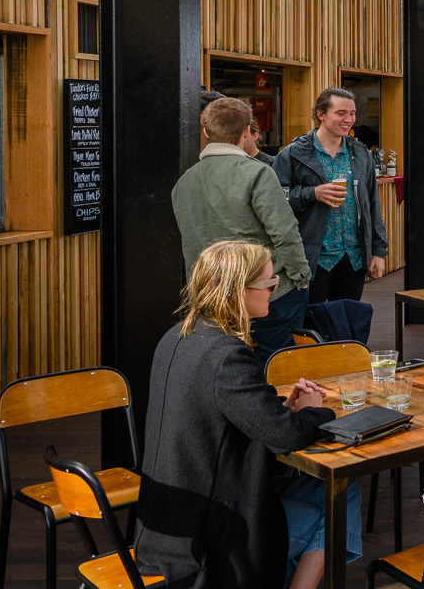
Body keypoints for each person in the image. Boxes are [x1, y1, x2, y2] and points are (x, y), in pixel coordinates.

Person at [135, 240, 360, 589]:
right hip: (214, 540)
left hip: (169, 521)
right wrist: (318, 412)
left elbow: (218, 419)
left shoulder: (176, 338)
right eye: (269, 284)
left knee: (337, 488)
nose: (274, 290)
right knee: (337, 499)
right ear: (239, 291)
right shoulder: (227, 355)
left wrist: (280, 409)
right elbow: (288, 437)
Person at [171, 97, 309, 361]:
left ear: (205, 131)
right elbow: (285, 232)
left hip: (210, 297)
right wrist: (300, 277)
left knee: (223, 366)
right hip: (266, 291)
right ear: (247, 131)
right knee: (277, 369)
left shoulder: (184, 182)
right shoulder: (257, 173)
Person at [274, 87, 388, 304]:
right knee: (311, 326)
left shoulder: (361, 153)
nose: (349, 119)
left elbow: (372, 204)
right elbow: (277, 199)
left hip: (353, 258)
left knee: (346, 323)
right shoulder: (292, 154)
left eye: (352, 113)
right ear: (321, 114)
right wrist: (312, 193)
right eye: (341, 113)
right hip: (311, 258)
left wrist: (379, 251)